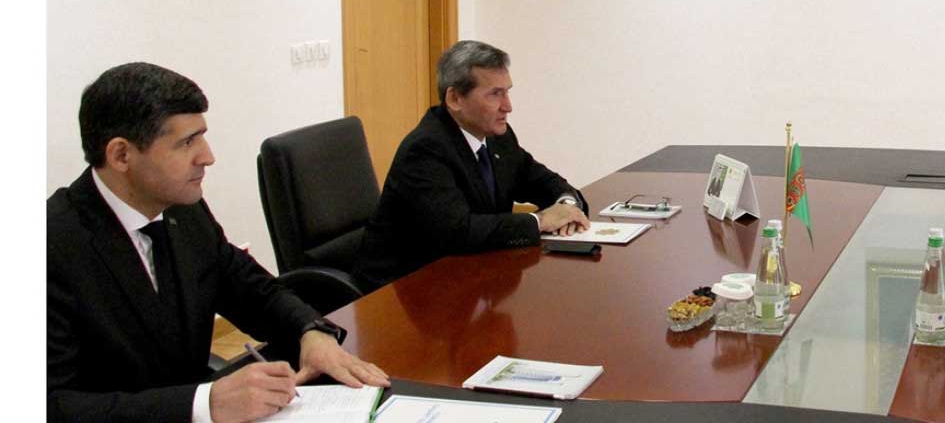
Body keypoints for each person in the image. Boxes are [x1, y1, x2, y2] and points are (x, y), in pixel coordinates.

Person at [48, 62, 389, 423]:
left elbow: (251, 289)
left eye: (202, 136)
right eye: (186, 142)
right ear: (121, 155)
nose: (207, 156)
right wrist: (202, 403)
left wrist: (309, 331)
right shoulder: (52, 246)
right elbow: (52, 406)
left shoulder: (183, 211)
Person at [353, 40, 590, 291]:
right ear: (455, 98)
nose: (508, 106)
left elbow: (542, 180)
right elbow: (457, 232)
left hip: (468, 277)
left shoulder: (498, 137)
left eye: (507, 92)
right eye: (495, 94)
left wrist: (567, 206)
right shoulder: (425, 150)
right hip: (403, 290)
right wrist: (539, 221)